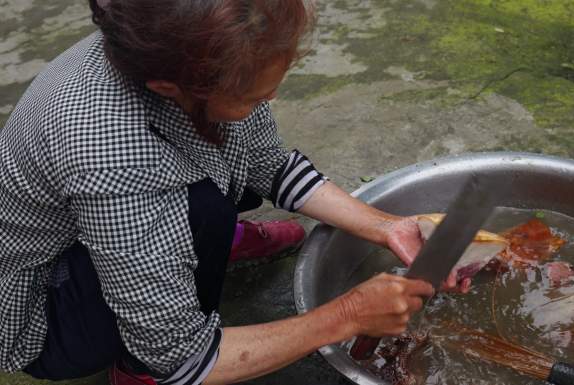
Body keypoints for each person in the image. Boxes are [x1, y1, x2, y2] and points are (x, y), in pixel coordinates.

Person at [0, 1, 458, 384]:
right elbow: (180, 356)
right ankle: (136, 368)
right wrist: (348, 315)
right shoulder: (111, 155)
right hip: (43, 310)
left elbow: (266, 163)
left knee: (216, 176)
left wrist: (387, 226)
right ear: (167, 86)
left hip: (118, 215)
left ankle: (188, 248)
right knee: (202, 210)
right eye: (254, 97)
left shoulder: (166, 45)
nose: (271, 99)